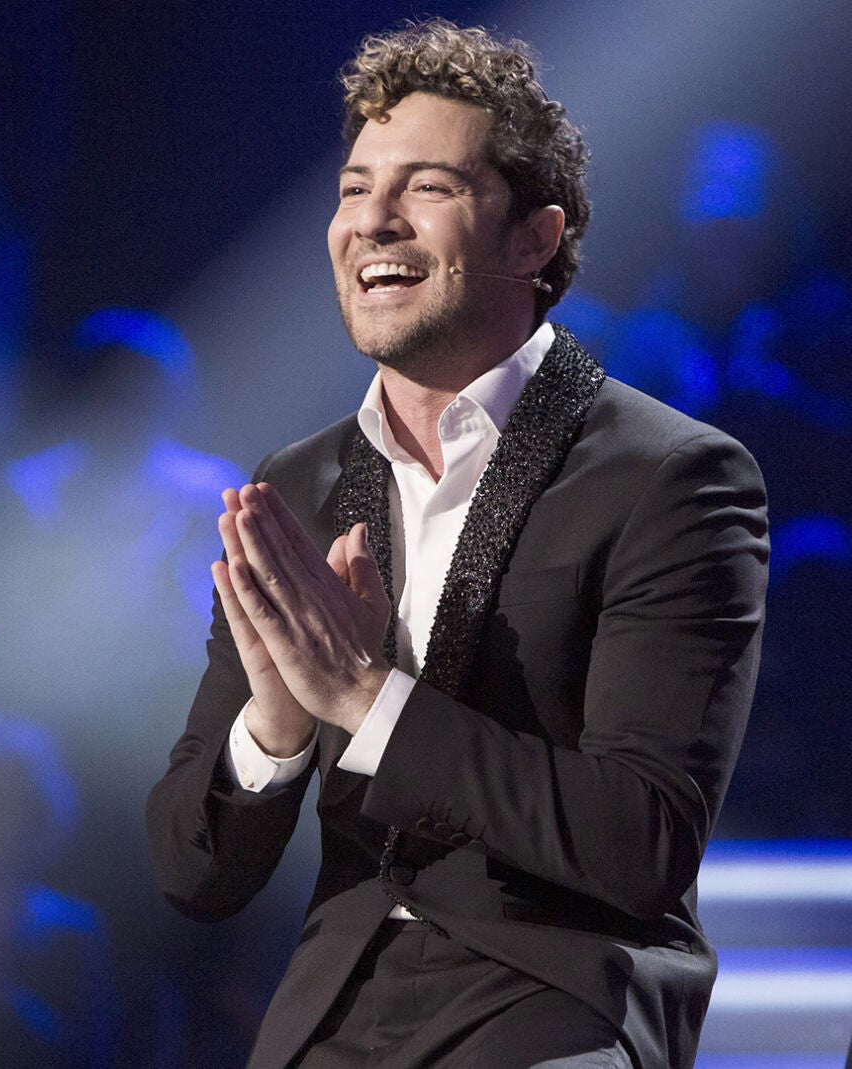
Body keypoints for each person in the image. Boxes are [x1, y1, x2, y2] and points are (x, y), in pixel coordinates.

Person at [145, 19, 768, 1069]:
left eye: (426, 187)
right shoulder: (293, 486)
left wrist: (366, 697)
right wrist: (280, 721)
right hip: (333, 1014)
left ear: (533, 237)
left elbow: (642, 841)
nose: (372, 221)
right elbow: (192, 870)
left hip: (557, 1000)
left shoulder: (670, 477)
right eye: (352, 189)